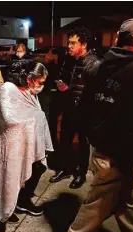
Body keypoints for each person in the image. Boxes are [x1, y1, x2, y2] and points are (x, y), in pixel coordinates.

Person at [56, 18, 133, 232]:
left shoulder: (103, 64)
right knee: (97, 203)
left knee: (126, 199)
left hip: (102, 146)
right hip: (118, 152)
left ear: (117, 39)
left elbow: (91, 103)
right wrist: (132, 151)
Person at [0, 61, 53, 224]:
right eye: (40, 82)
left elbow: (36, 113)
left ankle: (22, 200)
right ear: (29, 78)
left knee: (39, 166)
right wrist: (34, 119)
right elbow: (10, 118)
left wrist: (36, 120)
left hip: (28, 141)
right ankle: (5, 208)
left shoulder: (30, 91)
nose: (42, 86)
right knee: (9, 177)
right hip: (10, 144)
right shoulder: (8, 89)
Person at [49, 27, 98, 189]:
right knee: (64, 140)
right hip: (69, 108)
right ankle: (65, 169)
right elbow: (62, 77)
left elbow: (95, 89)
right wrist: (61, 84)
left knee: (83, 144)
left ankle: (81, 174)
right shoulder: (69, 60)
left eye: (73, 43)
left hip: (85, 112)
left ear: (83, 44)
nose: (68, 46)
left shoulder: (93, 63)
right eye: (68, 43)